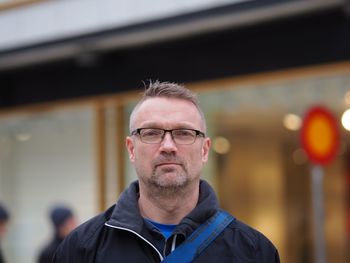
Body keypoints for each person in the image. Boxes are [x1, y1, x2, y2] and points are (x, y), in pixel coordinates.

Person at [53, 81, 280, 262]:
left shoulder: (254, 251)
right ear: (131, 149)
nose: (168, 146)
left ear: (204, 150)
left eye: (183, 133)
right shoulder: (80, 249)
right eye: (151, 133)